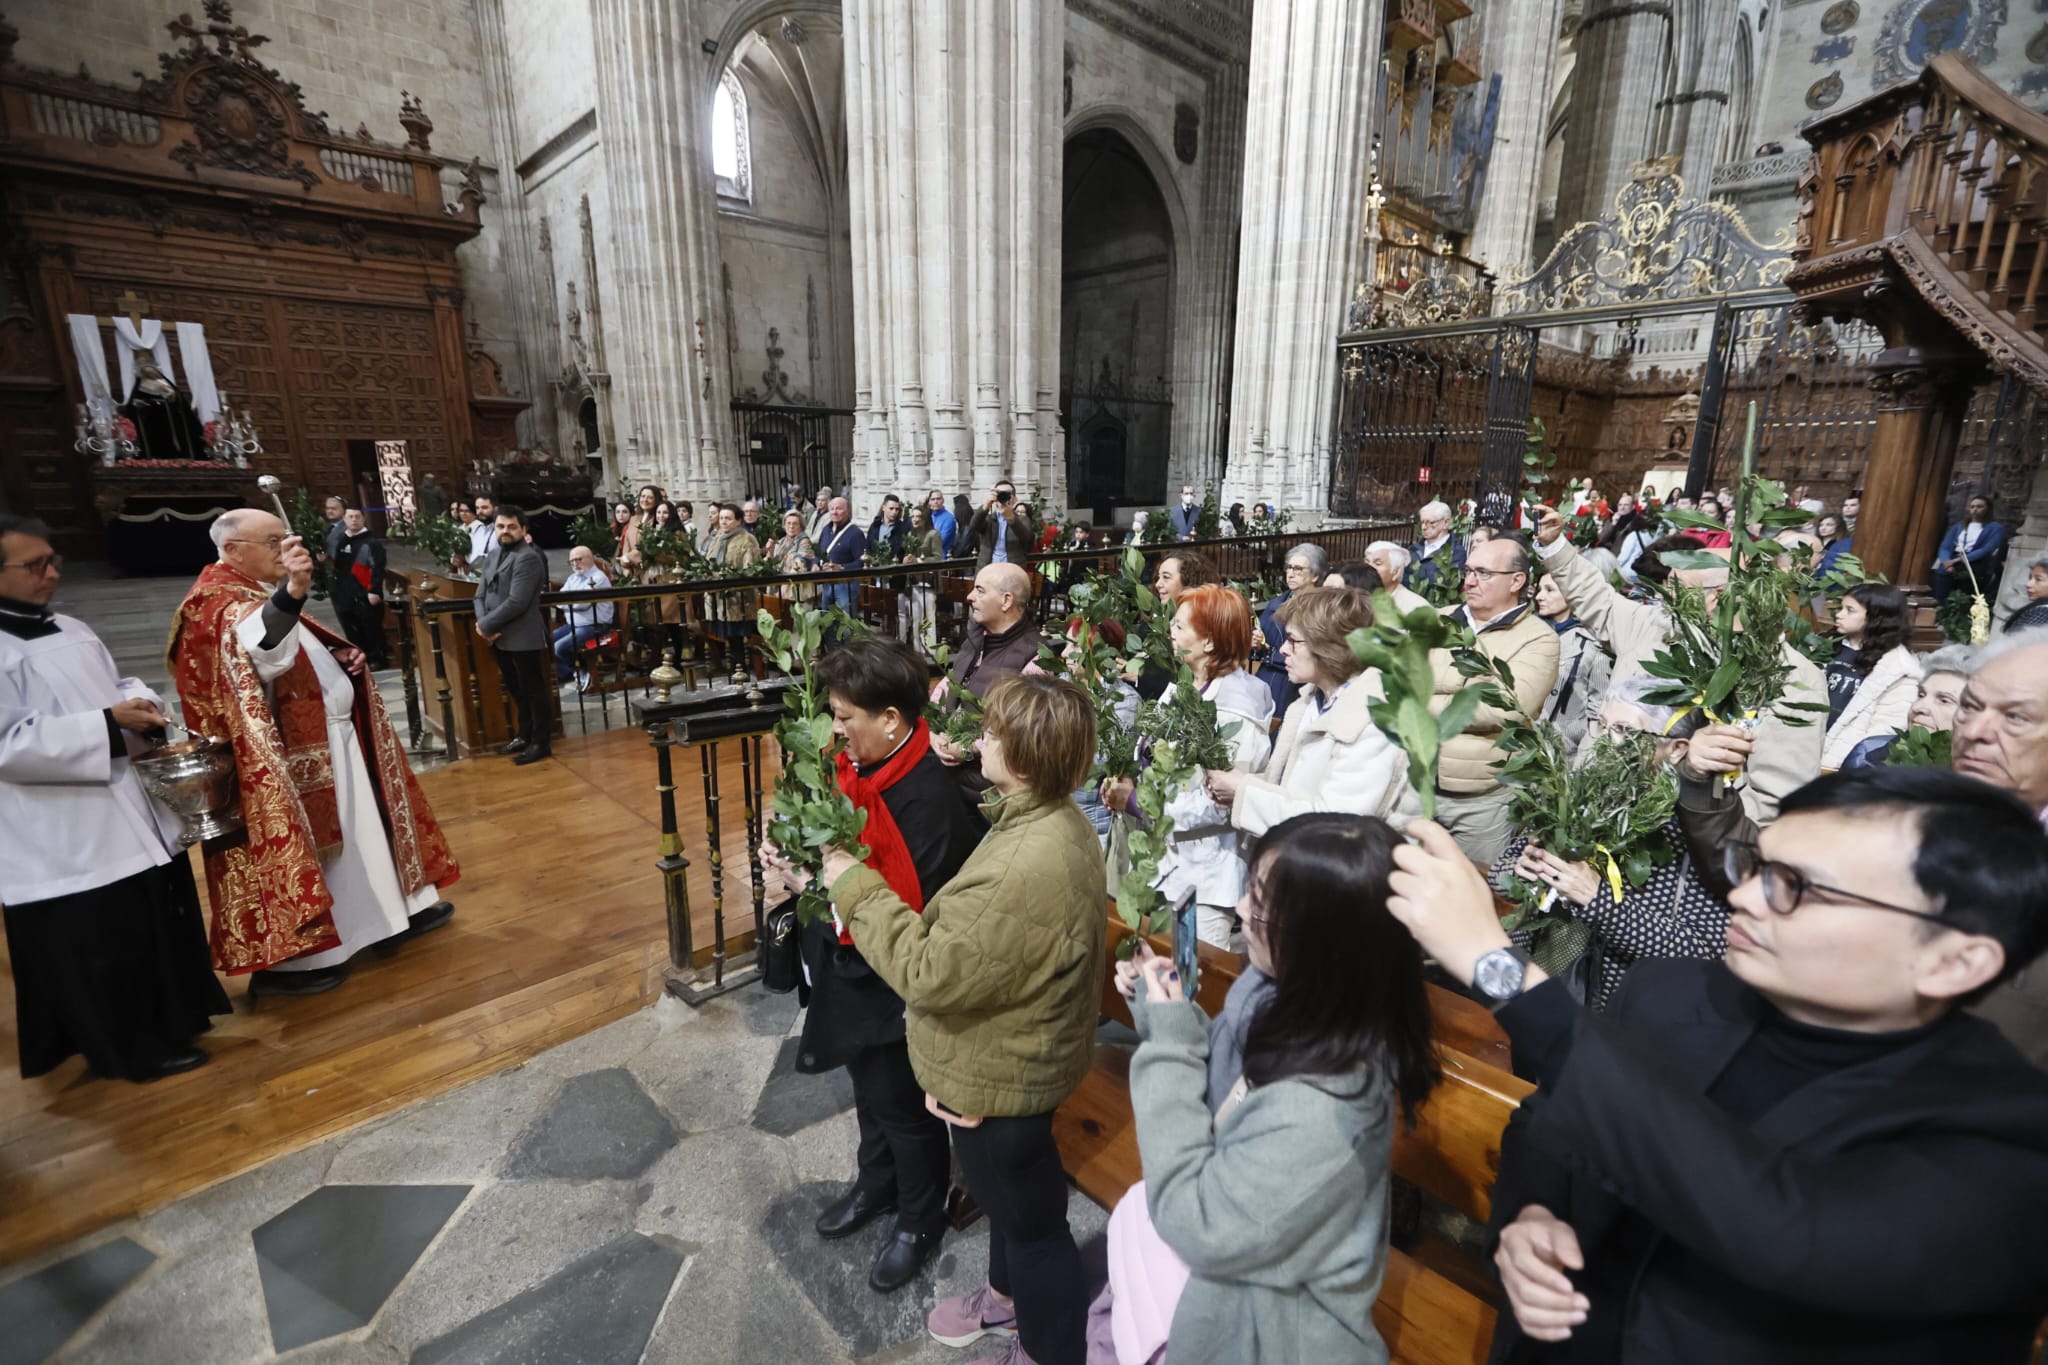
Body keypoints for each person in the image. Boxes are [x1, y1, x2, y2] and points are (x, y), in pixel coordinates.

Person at [1388, 766, 2048, 1362]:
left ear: (1955, 959)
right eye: (1756, 866)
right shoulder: (1673, 992)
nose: (1744, 897)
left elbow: (1791, 1231)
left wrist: (1501, 970)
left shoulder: (2012, 1139)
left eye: (1794, 886)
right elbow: (1550, 1124)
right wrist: (1529, 1217)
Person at [820, 674, 1106, 1365]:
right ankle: (1008, 1304)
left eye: (993, 733)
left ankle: (1046, 1349)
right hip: (1013, 1053)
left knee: (1034, 1224)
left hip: (1002, 1075)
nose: (978, 739)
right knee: (1013, 1207)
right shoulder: (1046, 817)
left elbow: (929, 970)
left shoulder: (1024, 862)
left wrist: (849, 882)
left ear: (1028, 756)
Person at [1094, 813, 1439, 1365]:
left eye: (1259, 904)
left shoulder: (1324, 1112)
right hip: (1230, 1276)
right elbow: (1234, 1091)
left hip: (1268, 1336)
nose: (1238, 911)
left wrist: (1168, 1046)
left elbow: (1194, 1218)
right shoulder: (1282, 990)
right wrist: (1166, 1013)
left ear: (1322, 943)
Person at [761, 639, 986, 1295]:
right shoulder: (867, 768)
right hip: (857, 959)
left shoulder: (926, 799)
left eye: (844, 715)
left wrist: (819, 879)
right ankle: (877, 1182)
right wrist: (795, 859)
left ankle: (919, 1220)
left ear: (890, 718)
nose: (834, 729)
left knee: (904, 1108)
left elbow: (904, 916)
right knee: (869, 1091)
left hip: (901, 978)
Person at [171, 510, 458, 996]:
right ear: (234, 549)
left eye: (284, 539)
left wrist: (338, 658)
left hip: (332, 737)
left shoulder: (249, 591)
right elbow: (263, 654)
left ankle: (386, 921)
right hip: (284, 755)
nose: (283, 548)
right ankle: (300, 961)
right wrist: (294, 590)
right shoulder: (213, 602)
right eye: (272, 541)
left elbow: (292, 648)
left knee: (361, 833)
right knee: (325, 847)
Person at [0, 515, 231, 1081]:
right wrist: (107, 723)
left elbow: (113, 688)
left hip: (121, 804)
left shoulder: (70, 628)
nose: (51, 573)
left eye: (53, 560)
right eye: (34, 566)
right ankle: (128, 1049)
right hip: (60, 828)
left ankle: (170, 1021)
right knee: (101, 943)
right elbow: (9, 744)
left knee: (146, 921)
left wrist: (135, 703)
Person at [1533, 506, 1823, 823]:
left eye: (1676, 589)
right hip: (1596, 803)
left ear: (1717, 597)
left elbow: (1774, 799)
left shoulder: (1791, 676)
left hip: (1686, 835)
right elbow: (1597, 599)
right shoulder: (1655, 625)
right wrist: (1555, 546)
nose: (1663, 597)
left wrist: (1705, 835)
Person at [1492, 676, 1726, 1009]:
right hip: (1530, 975)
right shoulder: (1583, 793)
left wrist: (1598, 900)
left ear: (1676, 749)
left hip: (1609, 1008)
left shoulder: (1696, 834)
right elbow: (1501, 877)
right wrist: (1521, 868)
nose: (1605, 742)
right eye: (1602, 726)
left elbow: (1700, 953)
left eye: (1624, 731)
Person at [1108, 584, 1275, 948]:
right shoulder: (1185, 685)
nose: (1171, 631)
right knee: (1163, 970)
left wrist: (1137, 802)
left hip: (1206, 874)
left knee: (1192, 980)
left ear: (1211, 642)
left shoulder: (1238, 706)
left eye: (1181, 627)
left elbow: (1219, 801)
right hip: (1168, 860)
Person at [1208, 586, 1412, 837]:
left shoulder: (1374, 720)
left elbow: (1334, 826)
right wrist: (1242, 784)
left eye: (1293, 640)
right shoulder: (1310, 700)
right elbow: (1292, 787)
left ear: (1329, 647)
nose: (1282, 649)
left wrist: (1243, 791)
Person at [1432, 536, 1561, 865]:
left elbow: (1500, 707)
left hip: (1481, 800)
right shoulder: (1438, 619)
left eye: (1484, 573)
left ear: (1516, 581)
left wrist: (1426, 699)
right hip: (1414, 782)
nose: (1470, 581)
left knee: (1472, 898)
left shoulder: (1538, 638)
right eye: (1468, 570)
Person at [475, 505, 553, 766]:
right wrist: (484, 623)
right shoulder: (494, 553)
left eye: (511, 527)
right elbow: (480, 594)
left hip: (521, 635)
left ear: (523, 529)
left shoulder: (527, 557)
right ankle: (524, 734)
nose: (505, 531)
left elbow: (518, 602)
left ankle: (540, 742)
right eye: (500, 526)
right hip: (498, 635)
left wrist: (486, 625)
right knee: (516, 689)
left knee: (533, 690)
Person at [1821, 583, 1918, 772]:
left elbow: (1882, 732)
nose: (1839, 615)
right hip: (1805, 748)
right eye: (1841, 608)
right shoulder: (1826, 645)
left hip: (1838, 764)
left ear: (1876, 617)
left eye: (1850, 610)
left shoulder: (1899, 668)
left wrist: (1841, 764)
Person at [1839, 645, 1972, 769]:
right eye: (1921, 694)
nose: (1919, 707)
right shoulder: (1867, 754)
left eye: (1944, 700)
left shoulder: (1980, 776)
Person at [1533, 570, 1610, 752]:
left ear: (1572, 595)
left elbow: (1598, 710)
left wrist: (1568, 737)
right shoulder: (1528, 632)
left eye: (1550, 590)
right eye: (1539, 589)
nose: (1539, 596)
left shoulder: (1593, 645)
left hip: (1561, 753)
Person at [1252, 543, 1326, 716]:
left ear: (1315, 575)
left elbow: (1317, 655)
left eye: (1298, 569)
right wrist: (1255, 641)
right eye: (1289, 567)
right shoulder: (1276, 604)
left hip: (1296, 685)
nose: (1291, 573)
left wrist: (1271, 653)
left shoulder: (1321, 609)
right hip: (1266, 679)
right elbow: (1261, 637)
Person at [328, 508, 388, 670]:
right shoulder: (342, 540)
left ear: (363, 519)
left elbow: (377, 567)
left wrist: (374, 590)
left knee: (370, 627)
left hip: (365, 592)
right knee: (351, 627)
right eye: (350, 517)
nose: (354, 520)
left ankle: (376, 658)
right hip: (345, 592)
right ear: (344, 519)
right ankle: (358, 656)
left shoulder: (371, 543)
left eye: (357, 517)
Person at [701, 502, 764, 648]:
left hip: (738, 600)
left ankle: (741, 669)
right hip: (717, 598)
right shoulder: (717, 537)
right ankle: (732, 669)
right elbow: (708, 562)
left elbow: (751, 568)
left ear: (738, 521)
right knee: (724, 639)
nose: (723, 521)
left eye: (728, 518)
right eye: (722, 518)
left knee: (738, 640)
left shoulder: (747, 539)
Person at [553, 544, 616, 684]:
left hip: (594, 625)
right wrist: (570, 605)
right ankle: (569, 671)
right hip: (574, 624)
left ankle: (578, 671)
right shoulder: (573, 578)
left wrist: (568, 605)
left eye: (578, 559)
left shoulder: (598, 578)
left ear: (589, 559)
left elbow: (582, 604)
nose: (575, 564)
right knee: (548, 640)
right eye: (572, 561)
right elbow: (558, 600)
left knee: (560, 647)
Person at [1932, 494, 2007, 602]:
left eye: (1979, 507)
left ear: (1988, 509)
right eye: (1972, 507)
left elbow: (1986, 549)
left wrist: (1958, 560)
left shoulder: (1995, 528)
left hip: (1975, 561)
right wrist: (1946, 562)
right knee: (1942, 576)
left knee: (1967, 590)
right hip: (1953, 559)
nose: (1975, 509)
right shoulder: (1959, 526)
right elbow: (1945, 546)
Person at [966, 479, 1036, 569]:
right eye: (1000, 494)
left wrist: (1011, 517)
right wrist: (986, 505)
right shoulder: (989, 519)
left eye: (1007, 494)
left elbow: (1026, 538)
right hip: (989, 569)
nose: (1003, 497)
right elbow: (973, 525)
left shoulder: (1022, 519)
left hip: (1012, 571)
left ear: (1014, 499)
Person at [815, 495, 868, 613]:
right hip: (827, 584)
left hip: (846, 585)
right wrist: (816, 564)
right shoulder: (825, 530)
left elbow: (862, 561)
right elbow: (819, 553)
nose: (834, 512)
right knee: (827, 622)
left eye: (839, 508)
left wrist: (842, 567)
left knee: (845, 625)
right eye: (832, 508)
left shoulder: (855, 533)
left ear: (848, 510)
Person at [1406, 499, 1464, 593]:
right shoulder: (1413, 549)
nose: (1424, 527)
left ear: (1446, 523)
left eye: (1431, 523)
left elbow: (1444, 585)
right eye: (1422, 522)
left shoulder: (1457, 552)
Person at [1359, 541, 1432, 616]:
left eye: (1377, 563)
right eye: (1367, 562)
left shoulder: (1416, 608)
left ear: (1396, 572)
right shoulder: (1358, 596)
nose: (1368, 568)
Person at [2006, 553, 2048, 632]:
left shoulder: (2042, 612)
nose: (2028, 584)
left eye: (2038, 579)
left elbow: (2018, 641)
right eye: (2030, 578)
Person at [870, 493, 911, 561]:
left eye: (897, 509)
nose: (894, 512)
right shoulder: (875, 526)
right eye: (891, 509)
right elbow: (868, 546)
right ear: (884, 508)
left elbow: (903, 551)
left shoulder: (902, 528)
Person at [925, 489, 959, 557]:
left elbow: (940, 542)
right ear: (929, 502)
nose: (936, 501)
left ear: (943, 500)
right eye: (933, 499)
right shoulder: (928, 516)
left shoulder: (949, 518)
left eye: (938, 499)